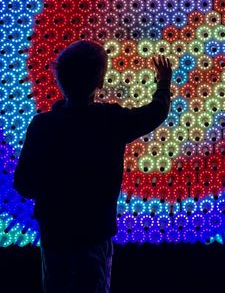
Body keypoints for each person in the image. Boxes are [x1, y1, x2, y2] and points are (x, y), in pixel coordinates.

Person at [13, 40, 172, 293]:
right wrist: (163, 81)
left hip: (55, 233)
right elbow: (155, 113)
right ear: (99, 83)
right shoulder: (109, 121)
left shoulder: (43, 125)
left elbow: (23, 183)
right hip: (94, 232)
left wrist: (54, 189)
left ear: (59, 80)